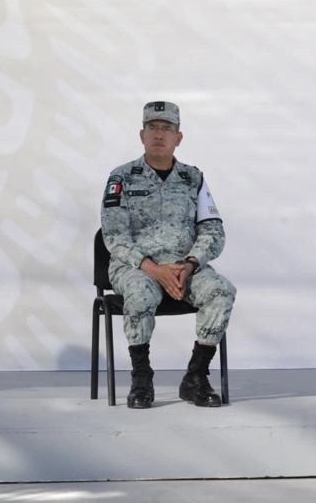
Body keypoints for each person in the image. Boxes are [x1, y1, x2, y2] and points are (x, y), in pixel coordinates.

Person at [100, 101, 236, 409]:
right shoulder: (122, 177)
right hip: (134, 267)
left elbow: (213, 231)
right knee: (139, 292)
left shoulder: (193, 179)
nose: (159, 135)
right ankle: (141, 377)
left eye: (167, 129)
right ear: (141, 135)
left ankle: (196, 376)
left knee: (221, 291)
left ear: (179, 137)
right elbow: (113, 235)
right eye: (153, 128)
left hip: (184, 268)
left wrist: (189, 265)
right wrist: (152, 268)